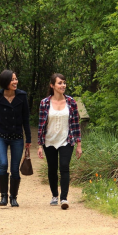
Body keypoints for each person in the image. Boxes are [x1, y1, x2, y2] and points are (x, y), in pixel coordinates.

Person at [0, 70, 32, 207]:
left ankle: (13, 197)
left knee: (15, 168)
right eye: (12, 79)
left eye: (16, 79)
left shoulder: (22, 96)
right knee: (3, 164)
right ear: (5, 81)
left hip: (17, 137)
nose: (15, 82)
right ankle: (3, 196)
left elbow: (26, 119)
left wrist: (28, 138)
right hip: (1, 136)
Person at [37, 73, 82, 210]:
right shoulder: (45, 103)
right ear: (52, 85)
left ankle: (64, 198)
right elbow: (41, 125)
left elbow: (76, 124)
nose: (63, 85)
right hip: (49, 140)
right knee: (52, 168)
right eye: (60, 83)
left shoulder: (71, 102)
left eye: (64, 83)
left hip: (66, 140)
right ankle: (55, 195)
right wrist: (39, 145)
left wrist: (79, 144)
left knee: (64, 166)